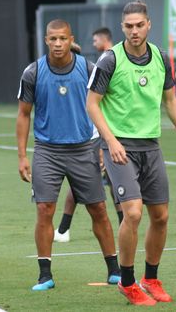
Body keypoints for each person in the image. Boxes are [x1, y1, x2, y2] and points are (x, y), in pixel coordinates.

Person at [87, 0, 176, 306]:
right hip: (120, 146)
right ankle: (127, 282)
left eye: (139, 25)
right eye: (129, 26)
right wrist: (110, 141)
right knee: (133, 213)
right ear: (122, 28)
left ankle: (151, 278)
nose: (134, 31)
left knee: (160, 216)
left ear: (149, 25)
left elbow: (170, 100)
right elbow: (92, 104)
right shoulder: (109, 60)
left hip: (151, 145)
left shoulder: (160, 56)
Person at [16, 19, 121, 291]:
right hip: (47, 151)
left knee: (98, 209)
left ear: (70, 39)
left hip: (84, 148)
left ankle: (114, 270)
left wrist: (104, 144)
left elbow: (103, 107)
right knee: (44, 210)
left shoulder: (88, 69)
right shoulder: (33, 72)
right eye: (53, 39)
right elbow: (24, 115)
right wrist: (22, 156)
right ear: (46, 41)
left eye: (63, 38)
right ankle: (45, 276)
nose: (58, 43)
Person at [54, 27, 123, 244]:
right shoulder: (72, 75)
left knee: (110, 181)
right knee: (93, 183)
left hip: (98, 135)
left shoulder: (98, 66)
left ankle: (64, 229)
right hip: (92, 136)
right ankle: (63, 229)